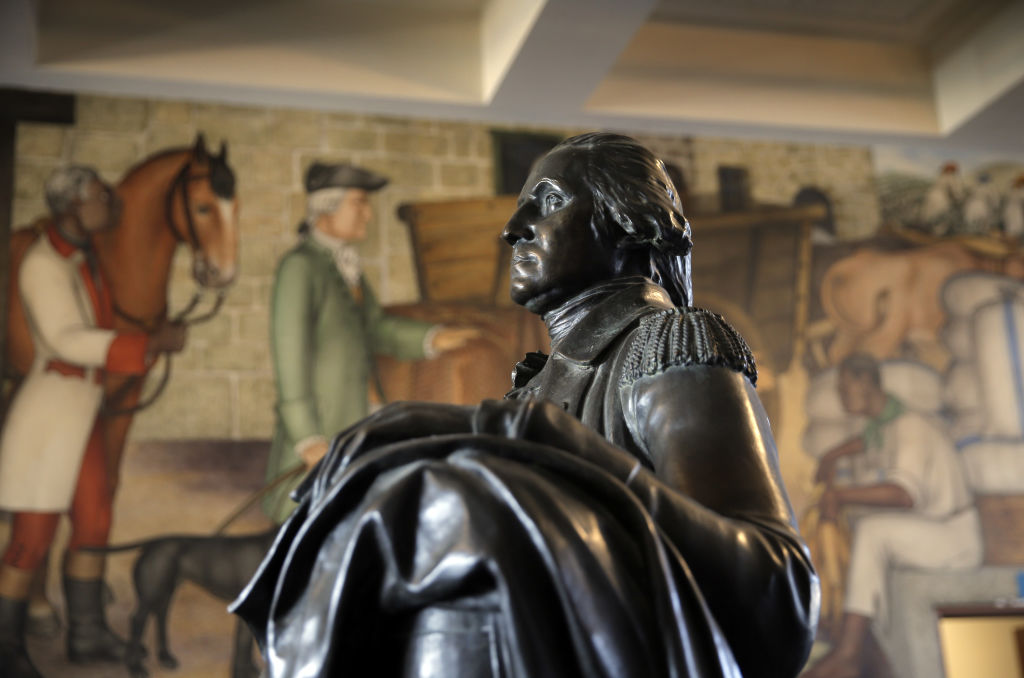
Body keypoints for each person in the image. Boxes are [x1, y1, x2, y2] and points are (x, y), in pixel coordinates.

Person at [234, 134, 819, 678]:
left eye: (550, 202)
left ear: (627, 222)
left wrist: (550, 444)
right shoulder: (530, 393)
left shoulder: (669, 345)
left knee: (449, 498)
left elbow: (780, 597)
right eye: (521, 209)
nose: (514, 229)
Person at [0, 166, 187, 678]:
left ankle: (86, 634)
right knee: (31, 536)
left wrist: (149, 341)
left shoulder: (84, 260)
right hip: (49, 418)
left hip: (82, 413)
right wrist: (146, 344)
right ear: (73, 205)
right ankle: (5, 647)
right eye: (101, 196)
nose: (111, 203)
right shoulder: (43, 264)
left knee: (94, 522)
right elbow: (65, 339)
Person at [263, 162, 478, 523]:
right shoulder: (299, 267)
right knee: (316, 520)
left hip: (360, 415)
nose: (368, 214)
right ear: (326, 208)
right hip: (323, 428)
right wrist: (308, 438)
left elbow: (375, 328)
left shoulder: (347, 267)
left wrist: (432, 337)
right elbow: (289, 359)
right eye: (359, 203)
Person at [804, 354, 981, 678]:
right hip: (931, 529)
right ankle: (859, 645)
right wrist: (832, 455)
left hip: (952, 537)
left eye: (845, 387)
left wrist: (839, 495)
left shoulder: (910, 426)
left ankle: (849, 654)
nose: (841, 396)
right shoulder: (883, 427)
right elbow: (866, 441)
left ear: (866, 382)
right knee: (855, 528)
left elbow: (903, 494)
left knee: (873, 532)